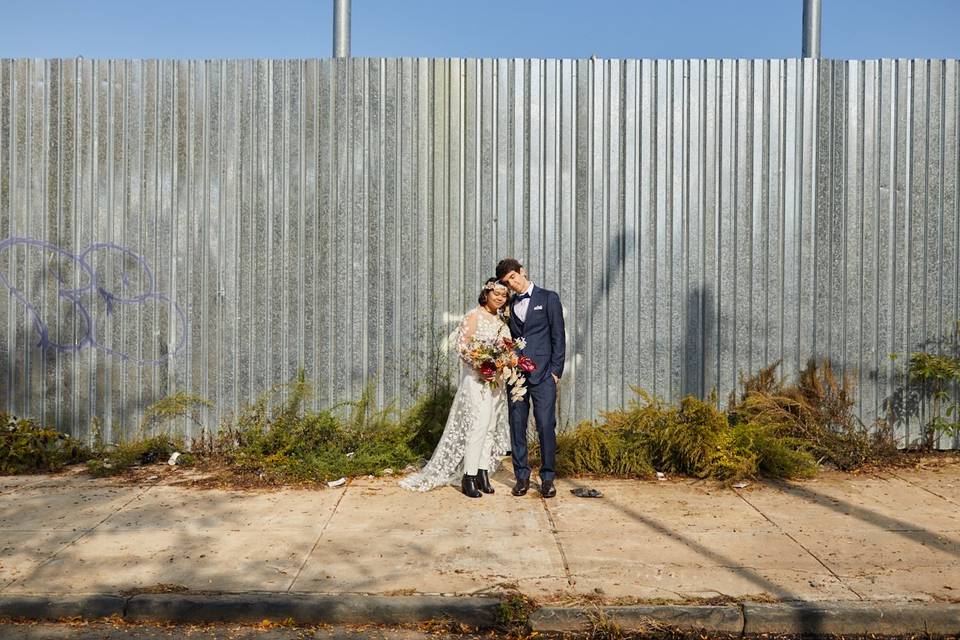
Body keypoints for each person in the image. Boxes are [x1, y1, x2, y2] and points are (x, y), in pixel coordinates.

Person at [399, 278, 511, 497]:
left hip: (496, 383)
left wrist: (505, 361)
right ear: (486, 294)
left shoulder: (501, 323)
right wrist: (481, 364)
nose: (499, 298)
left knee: (490, 427)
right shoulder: (473, 316)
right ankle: (468, 477)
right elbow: (462, 347)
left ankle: (482, 471)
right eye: (495, 293)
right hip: (477, 380)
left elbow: (507, 349)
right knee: (477, 426)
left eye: (503, 295)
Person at [495, 258, 565, 498]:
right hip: (516, 375)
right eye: (507, 282)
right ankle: (522, 476)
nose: (512, 284)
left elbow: (558, 336)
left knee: (546, 425)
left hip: (544, 374)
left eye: (513, 277)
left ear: (522, 272)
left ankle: (547, 478)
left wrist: (556, 371)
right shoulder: (509, 305)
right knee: (517, 425)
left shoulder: (548, 298)